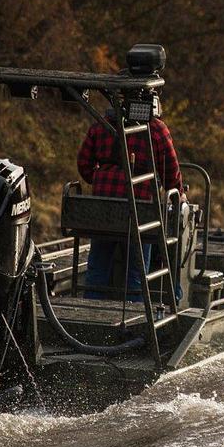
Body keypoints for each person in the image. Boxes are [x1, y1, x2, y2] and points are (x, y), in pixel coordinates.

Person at [76, 107, 182, 302]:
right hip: (139, 210)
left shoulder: (101, 125)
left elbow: (84, 164)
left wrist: (102, 179)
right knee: (136, 273)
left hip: (104, 208)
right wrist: (178, 193)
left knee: (97, 269)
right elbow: (171, 171)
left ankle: (90, 310)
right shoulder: (156, 129)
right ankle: (136, 321)